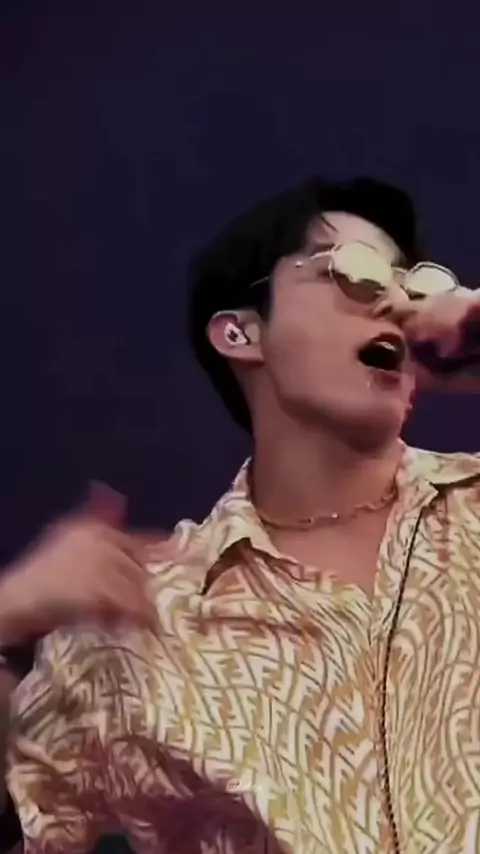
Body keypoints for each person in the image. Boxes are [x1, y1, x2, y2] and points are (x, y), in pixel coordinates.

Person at [2, 176, 480, 854]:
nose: (397, 305)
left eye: (415, 285)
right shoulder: (140, 619)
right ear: (240, 332)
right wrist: (7, 615)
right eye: (356, 273)